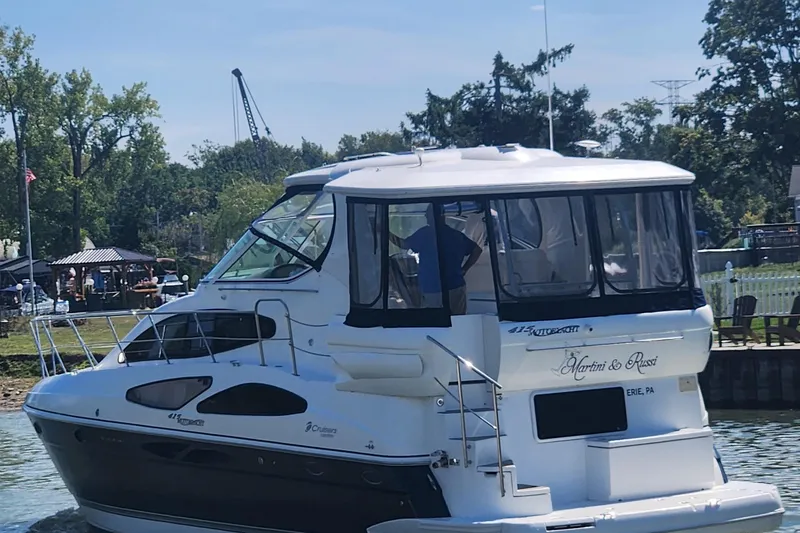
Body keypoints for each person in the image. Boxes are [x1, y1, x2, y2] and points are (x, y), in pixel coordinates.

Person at [389, 204, 482, 315]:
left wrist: (386, 233)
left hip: (432, 288)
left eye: (428, 214)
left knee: (434, 323)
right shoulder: (455, 235)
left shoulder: (425, 234)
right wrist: (464, 269)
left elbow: (403, 244)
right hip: (455, 286)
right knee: (457, 321)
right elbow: (477, 250)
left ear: (436, 216)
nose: (425, 216)